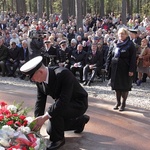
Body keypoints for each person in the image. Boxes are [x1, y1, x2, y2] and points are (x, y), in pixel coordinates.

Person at [20, 56, 90, 150]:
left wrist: (45, 117)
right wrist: (36, 122)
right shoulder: (40, 81)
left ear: (40, 72)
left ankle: (58, 140)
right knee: (50, 130)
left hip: (78, 103)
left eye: (31, 77)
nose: (31, 80)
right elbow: (40, 101)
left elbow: (63, 101)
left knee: (53, 112)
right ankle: (79, 122)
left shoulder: (63, 74)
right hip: (64, 105)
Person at [105, 28, 136, 111]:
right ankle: (118, 102)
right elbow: (109, 55)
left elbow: (133, 58)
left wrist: (131, 70)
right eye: (119, 34)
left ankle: (123, 103)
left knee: (124, 87)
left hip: (125, 69)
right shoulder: (114, 43)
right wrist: (107, 67)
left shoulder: (130, 44)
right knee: (116, 87)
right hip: (115, 68)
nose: (121, 36)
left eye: (123, 34)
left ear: (126, 35)